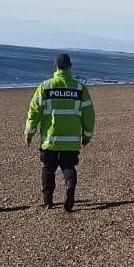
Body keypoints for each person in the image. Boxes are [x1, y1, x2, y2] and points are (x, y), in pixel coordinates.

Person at [24, 53, 95, 212]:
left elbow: (34, 111)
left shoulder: (45, 87)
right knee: (68, 167)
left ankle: (48, 201)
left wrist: (29, 132)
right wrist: (87, 135)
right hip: (71, 140)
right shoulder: (79, 88)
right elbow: (89, 114)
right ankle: (70, 188)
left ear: (55, 67)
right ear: (70, 66)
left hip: (50, 139)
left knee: (48, 169)